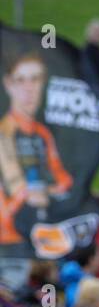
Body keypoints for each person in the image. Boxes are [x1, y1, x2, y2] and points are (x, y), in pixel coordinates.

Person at [0, 53, 74, 248]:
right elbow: (15, 187)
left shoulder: (43, 134)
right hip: (12, 240)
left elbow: (63, 179)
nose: (29, 88)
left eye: (35, 79)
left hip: (45, 232)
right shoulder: (4, 133)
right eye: (21, 80)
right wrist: (33, 194)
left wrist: (48, 192)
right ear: (9, 84)